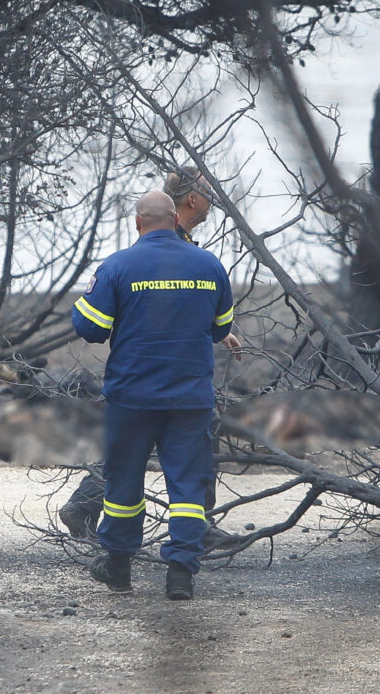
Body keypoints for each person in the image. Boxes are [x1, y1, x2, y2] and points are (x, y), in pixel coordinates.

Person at [58, 167, 241, 545]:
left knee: (137, 441)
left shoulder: (178, 241)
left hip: (147, 375)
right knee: (164, 439)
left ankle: (189, 525)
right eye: (209, 193)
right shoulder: (178, 244)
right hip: (161, 372)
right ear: (190, 201)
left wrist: (214, 330)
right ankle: (192, 528)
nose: (214, 201)